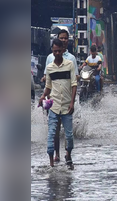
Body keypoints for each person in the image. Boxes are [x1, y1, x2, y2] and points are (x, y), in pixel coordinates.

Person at [41, 29, 79, 163]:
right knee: (53, 132)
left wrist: (72, 102)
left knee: (69, 135)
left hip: (68, 101)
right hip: (53, 102)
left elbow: (75, 81)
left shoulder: (71, 61)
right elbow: (48, 82)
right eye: (61, 38)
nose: (63, 41)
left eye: (65, 38)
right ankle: (54, 156)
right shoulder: (50, 61)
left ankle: (68, 154)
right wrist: (43, 96)